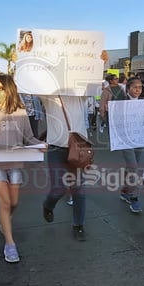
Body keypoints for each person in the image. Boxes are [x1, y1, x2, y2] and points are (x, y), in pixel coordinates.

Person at [0, 75, 45, 263]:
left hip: (15, 163)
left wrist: (39, 144)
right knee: (5, 202)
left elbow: (28, 137)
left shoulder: (20, 112)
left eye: (0, 88)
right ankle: (10, 244)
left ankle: (5, 219)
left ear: (10, 90)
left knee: (14, 202)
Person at [40, 93, 90, 241]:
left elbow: (93, 82)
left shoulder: (80, 94)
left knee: (79, 189)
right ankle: (48, 205)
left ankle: (78, 225)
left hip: (78, 148)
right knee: (58, 189)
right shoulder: (48, 95)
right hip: (56, 149)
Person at [115, 76, 144, 213]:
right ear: (128, 88)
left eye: (140, 87)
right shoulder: (120, 103)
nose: (138, 89)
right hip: (125, 140)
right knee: (134, 168)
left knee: (131, 167)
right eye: (135, 87)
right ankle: (134, 198)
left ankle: (125, 191)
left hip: (139, 138)